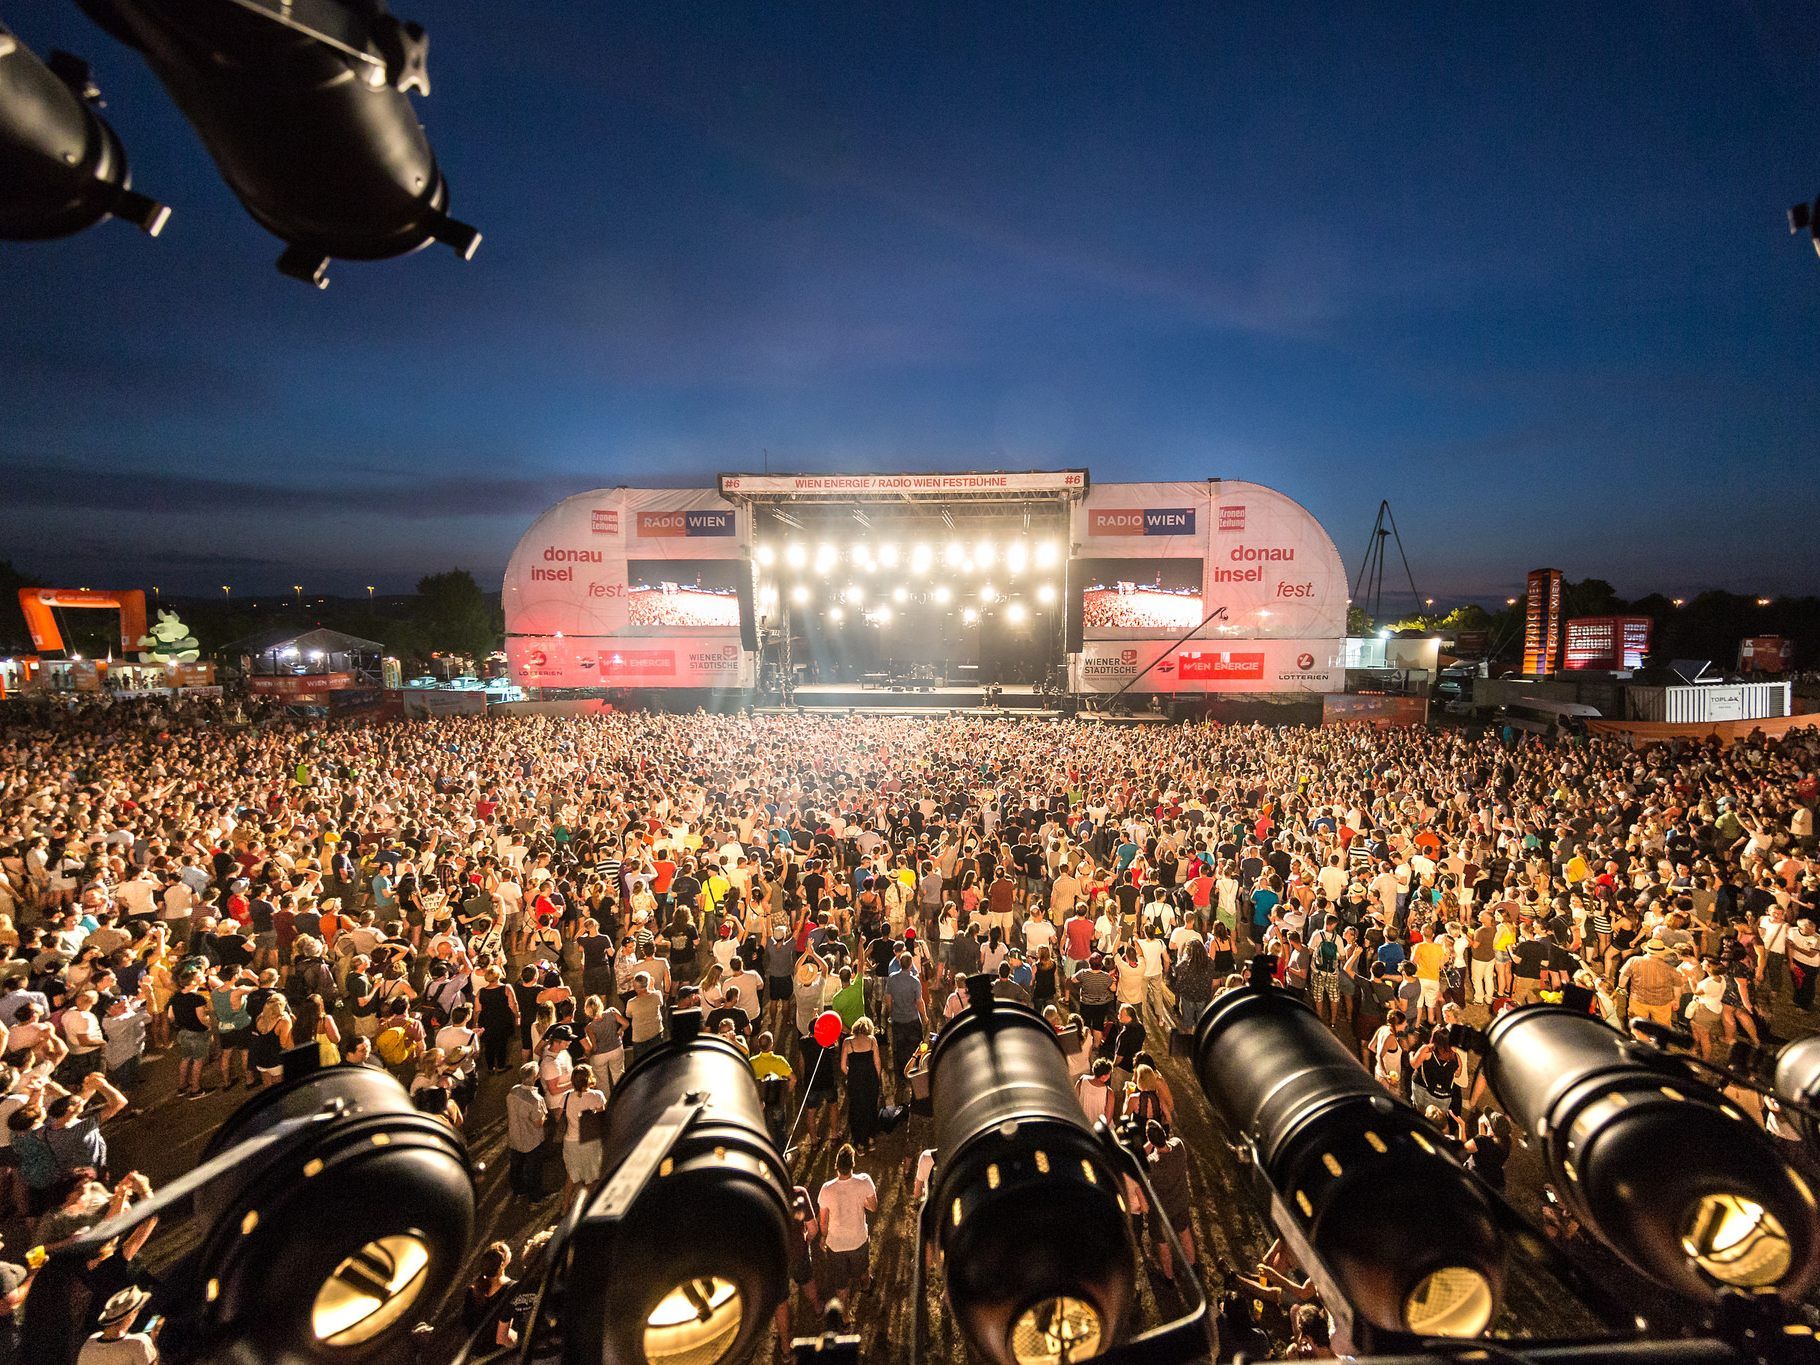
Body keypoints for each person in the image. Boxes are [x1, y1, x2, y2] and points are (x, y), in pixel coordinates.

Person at [817, 1143, 877, 1301]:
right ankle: (866, 1287)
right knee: (863, 1270)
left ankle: (844, 1318)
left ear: (836, 1166)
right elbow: (873, 1206)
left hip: (835, 1245)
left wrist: (823, 1237)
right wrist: (859, 1200)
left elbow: (823, 1221)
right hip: (858, 1240)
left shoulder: (826, 1189)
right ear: (853, 1165)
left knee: (841, 1284)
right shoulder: (865, 1181)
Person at [560, 1063, 608, 1203]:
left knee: (572, 1176)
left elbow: (559, 1115)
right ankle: (587, 1207)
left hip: (571, 1140)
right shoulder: (596, 1096)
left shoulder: (566, 1096)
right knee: (591, 1176)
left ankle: (565, 1205)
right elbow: (601, 1118)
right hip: (590, 1141)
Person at [79, 1284, 160, 1364]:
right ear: (130, 1316)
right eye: (136, 1311)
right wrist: (153, 1339)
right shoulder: (139, 1343)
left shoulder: (90, 1342)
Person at [504, 1063, 549, 1201]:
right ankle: (535, 1197)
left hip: (515, 1136)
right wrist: (545, 1116)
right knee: (534, 1170)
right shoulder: (536, 1099)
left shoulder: (513, 1090)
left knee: (516, 1166)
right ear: (535, 1077)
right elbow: (538, 1123)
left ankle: (518, 1190)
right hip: (532, 1140)